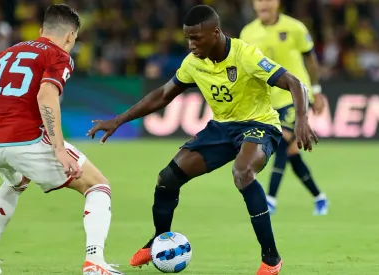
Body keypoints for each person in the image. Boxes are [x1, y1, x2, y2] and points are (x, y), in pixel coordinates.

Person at [87, 5, 317, 275]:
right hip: (221, 128)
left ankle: (271, 258)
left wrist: (302, 119)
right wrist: (119, 119)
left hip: (259, 126)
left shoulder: (246, 55)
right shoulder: (193, 62)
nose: (191, 44)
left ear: (215, 33)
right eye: (188, 38)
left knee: (242, 172)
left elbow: (294, 82)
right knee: (167, 178)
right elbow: (163, 95)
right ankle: (159, 240)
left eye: (197, 38)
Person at [0, 5, 122, 275]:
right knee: (97, 186)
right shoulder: (60, 56)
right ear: (70, 37)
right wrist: (59, 149)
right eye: (74, 39)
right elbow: (46, 96)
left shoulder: (7, 54)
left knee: (16, 181)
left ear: (42, 31)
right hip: (26, 140)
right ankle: (95, 262)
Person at [240, 0, 329, 216]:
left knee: (281, 141)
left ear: (277, 3)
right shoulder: (247, 33)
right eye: (258, 0)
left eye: (267, 0)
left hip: (295, 96)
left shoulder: (295, 28)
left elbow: (310, 59)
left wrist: (316, 91)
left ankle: (270, 199)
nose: (263, 4)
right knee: (291, 152)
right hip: (268, 101)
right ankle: (320, 198)